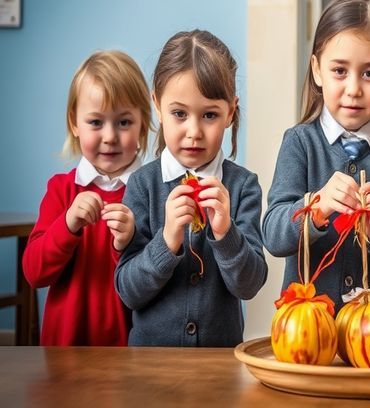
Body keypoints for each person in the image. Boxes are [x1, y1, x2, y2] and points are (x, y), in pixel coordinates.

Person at [115, 30, 267, 346]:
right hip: (150, 368)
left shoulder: (243, 187)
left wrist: (226, 234)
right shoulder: (142, 185)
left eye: (209, 115)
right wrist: (168, 239)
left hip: (219, 367)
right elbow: (129, 292)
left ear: (230, 112)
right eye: (180, 114)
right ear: (157, 105)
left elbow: (249, 285)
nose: (194, 132)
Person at [262, 0, 370, 310]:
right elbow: (272, 235)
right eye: (340, 70)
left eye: (369, 73)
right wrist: (316, 206)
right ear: (317, 70)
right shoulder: (299, 143)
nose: (354, 88)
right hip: (307, 332)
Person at [23, 50, 151, 345]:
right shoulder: (61, 190)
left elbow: (157, 278)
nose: (109, 136)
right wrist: (66, 225)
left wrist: (129, 242)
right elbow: (34, 273)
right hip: (65, 351)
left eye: (123, 122)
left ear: (143, 124)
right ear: (74, 123)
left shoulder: (150, 192)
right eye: (96, 122)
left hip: (130, 350)